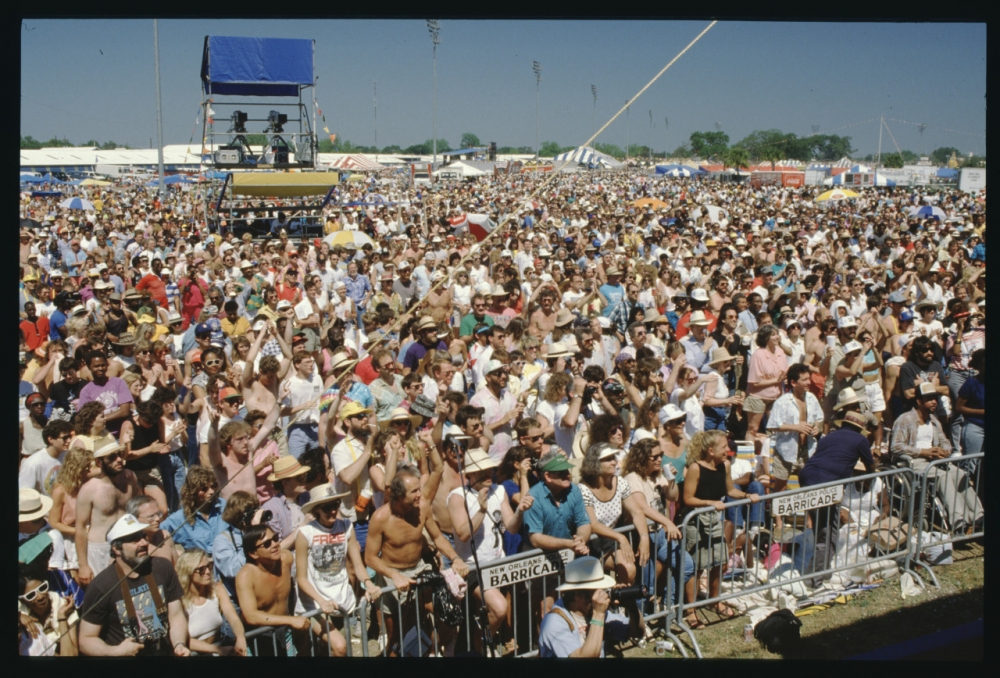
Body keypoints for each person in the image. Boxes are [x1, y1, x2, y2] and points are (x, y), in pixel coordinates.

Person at [364, 468, 469, 657]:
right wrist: (394, 575)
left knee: (447, 616)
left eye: (419, 489)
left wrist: (455, 558)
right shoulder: (380, 518)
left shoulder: (423, 507)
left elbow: (437, 537)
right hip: (392, 577)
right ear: (398, 495)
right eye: (414, 491)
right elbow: (369, 557)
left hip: (420, 570)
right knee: (397, 637)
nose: (420, 494)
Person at [447, 448, 531, 651]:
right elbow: (463, 534)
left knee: (486, 612)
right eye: (482, 471)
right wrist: (481, 510)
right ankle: (479, 646)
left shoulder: (499, 490)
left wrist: (520, 511)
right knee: (499, 608)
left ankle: (478, 647)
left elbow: (511, 526)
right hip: (472, 566)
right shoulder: (457, 497)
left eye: (490, 470)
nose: (488, 474)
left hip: (496, 562)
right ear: (470, 475)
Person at [78, 513, 190, 656]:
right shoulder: (101, 586)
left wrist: (179, 644)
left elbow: (176, 615)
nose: (143, 543)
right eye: (134, 540)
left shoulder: (162, 567)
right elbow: (86, 639)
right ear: (116, 549)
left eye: (143, 536)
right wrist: (115, 651)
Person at [296, 483, 382, 656]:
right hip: (315, 605)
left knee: (338, 652)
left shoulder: (345, 526)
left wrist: (368, 584)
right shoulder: (305, 533)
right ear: (317, 509)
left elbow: (357, 564)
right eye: (327, 507)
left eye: (335, 505)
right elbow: (301, 578)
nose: (333, 511)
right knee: (340, 646)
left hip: (341, 603)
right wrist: (321, 601)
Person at [682, 430, 759, 621]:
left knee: (719, 562)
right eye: (724, 447)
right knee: (697, 566)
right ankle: (690, 609)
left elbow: (730, 489)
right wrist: (709, 503)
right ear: (710, 450)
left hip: (715, 519)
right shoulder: (695, 469)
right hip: (696, 522)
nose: (728, 450)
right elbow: (688, 498)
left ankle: (714, 600)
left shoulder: (725, 466)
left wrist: (747, 496)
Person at [890, 382, 984, 533]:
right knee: (943, 477)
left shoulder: (934, 420)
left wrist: (944, 451)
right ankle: (958, 519)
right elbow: (895, 447)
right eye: (929, 399)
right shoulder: (905, 419)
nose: (934, 401)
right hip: (913, 460)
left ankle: (978, 515)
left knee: (959, 474)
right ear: (919, 401)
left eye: (935, 398)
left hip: (934, 459)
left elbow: (945, 442)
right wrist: (924, 452)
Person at [74, 436, 142, 586]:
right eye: (112, 457)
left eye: (120, 455)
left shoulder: (130, 477)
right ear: (99, 462)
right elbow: (80, 528)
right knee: (106, 593)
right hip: (101, 549)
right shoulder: (89, 489)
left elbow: (139, 507)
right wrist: (83, 565)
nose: (119, 460)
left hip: (128, 543)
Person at [236, 524, 312, 656]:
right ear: (253, 553)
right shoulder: (246, 576)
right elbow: (251, 616)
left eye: (275, 538)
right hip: (259, 638)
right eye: (266, 544)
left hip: (286, 632)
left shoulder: (287, 559)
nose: (275, 544)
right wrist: (291, 620)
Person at [537, 555, 629, 658]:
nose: (602, 594)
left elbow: (636, 631)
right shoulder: (554, 622)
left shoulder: (591, 610)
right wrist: (598, 615)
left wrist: (631, 605)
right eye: (597, 590)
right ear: (578, 594)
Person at [175, 548, 247, 656]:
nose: (208, 572)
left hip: (216, 650)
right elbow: (183, 639)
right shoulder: (179, 600)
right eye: (201, 569)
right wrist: (217, 649)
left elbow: (233, 617)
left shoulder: (216, 589)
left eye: (209, 566)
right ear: (188, 572)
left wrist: (240, 637)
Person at [767, 363, 824, 492]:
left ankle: (807, 513)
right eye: (804, 380)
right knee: (780, 487)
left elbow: (819, 418)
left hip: (807, 449)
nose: (809, 382)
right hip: (785, 451)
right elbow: (772, 425)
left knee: (809, 486)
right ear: (793, 382)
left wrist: (817, 427)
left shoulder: (811, 398)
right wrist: (795, 427)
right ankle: (776, 512)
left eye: (809, 378)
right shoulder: (782, 402)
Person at [160, 466, 227, 553]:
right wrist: (176, 554)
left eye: (213, 486)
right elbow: (157, 535)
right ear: (193, 491)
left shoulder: (224, 506)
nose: (211, 492)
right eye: (204, 489)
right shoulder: (179, 518)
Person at [18, 572, 78, 656]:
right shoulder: (21, 615)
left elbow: (72, 656)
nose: (40, 597)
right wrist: (18, 616)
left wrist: (61, 618)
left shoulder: (64, 606)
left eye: (42, 588)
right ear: (22, 600)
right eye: (31, 595)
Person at [20, 419, 73, 496]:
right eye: (65, 438)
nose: (69, 441)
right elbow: (24, 493)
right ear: (51, 439)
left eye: (70, 437)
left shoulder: (67, 455)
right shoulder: (33, 463)